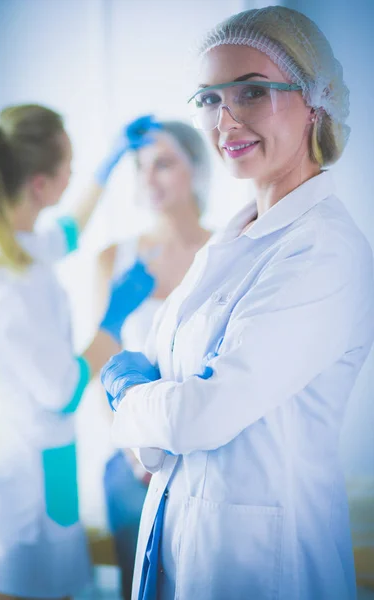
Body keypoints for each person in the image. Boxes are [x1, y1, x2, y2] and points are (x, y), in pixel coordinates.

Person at [101, 6, 374, 600]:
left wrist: (124, 394)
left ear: (316, 100)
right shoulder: (232, 239)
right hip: (181, 543)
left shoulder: (324, 249)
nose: (224, 121)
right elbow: (169, 408)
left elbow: (202, 414)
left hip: (266, 564)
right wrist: (157, 418)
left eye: (251, 91)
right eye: (208, 98)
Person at [0, 105, 158, 599]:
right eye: (69, 167)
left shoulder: (15, 240)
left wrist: (110, 162)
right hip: (23, 475)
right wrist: (112, 322)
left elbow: (70, 230)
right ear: (39, 184)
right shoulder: (7, 285)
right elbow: (64, 390)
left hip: (38, 456)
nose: (75, 175)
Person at [97, 119, 211, 600]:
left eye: (163, 164)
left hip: (205, 455)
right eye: (141, 167)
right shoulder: (115, 258)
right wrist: (133, 450)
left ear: (197, 168)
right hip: (132, 464)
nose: (149, 178)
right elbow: (101, 358)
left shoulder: (228, 252)